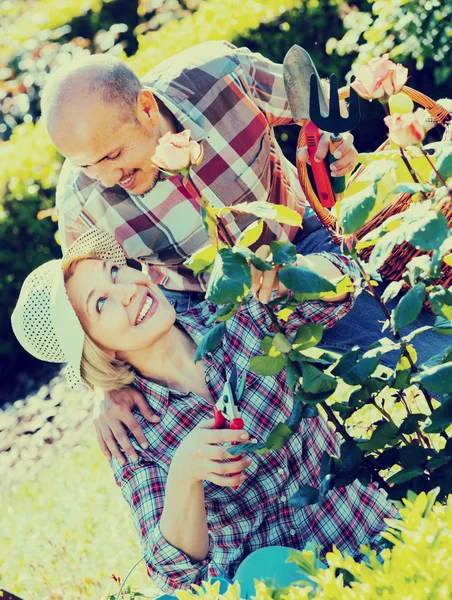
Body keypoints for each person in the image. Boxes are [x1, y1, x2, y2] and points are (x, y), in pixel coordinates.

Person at [40, 40, 443, 465]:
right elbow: (83, 306)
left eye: (113, 155)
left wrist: (331, 143)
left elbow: (313, 113)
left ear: (145, 108)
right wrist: (106, 388)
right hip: (205, 309)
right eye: (87, 165)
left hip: (297, 245)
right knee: (257, 450)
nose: (106, 178)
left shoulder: (222, 74)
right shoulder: (79, 199)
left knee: (414, 341)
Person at [11, 229, 397, 596]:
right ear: (100, 349)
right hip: (270, 586)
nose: (126, 291)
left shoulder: (235, 317)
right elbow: (176, 573)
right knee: (260, 571)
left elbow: (346, 278)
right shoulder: (132, 429)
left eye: (115, 271)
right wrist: (185, 474)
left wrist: (284, 276)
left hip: (367, 532)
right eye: (101, 302)